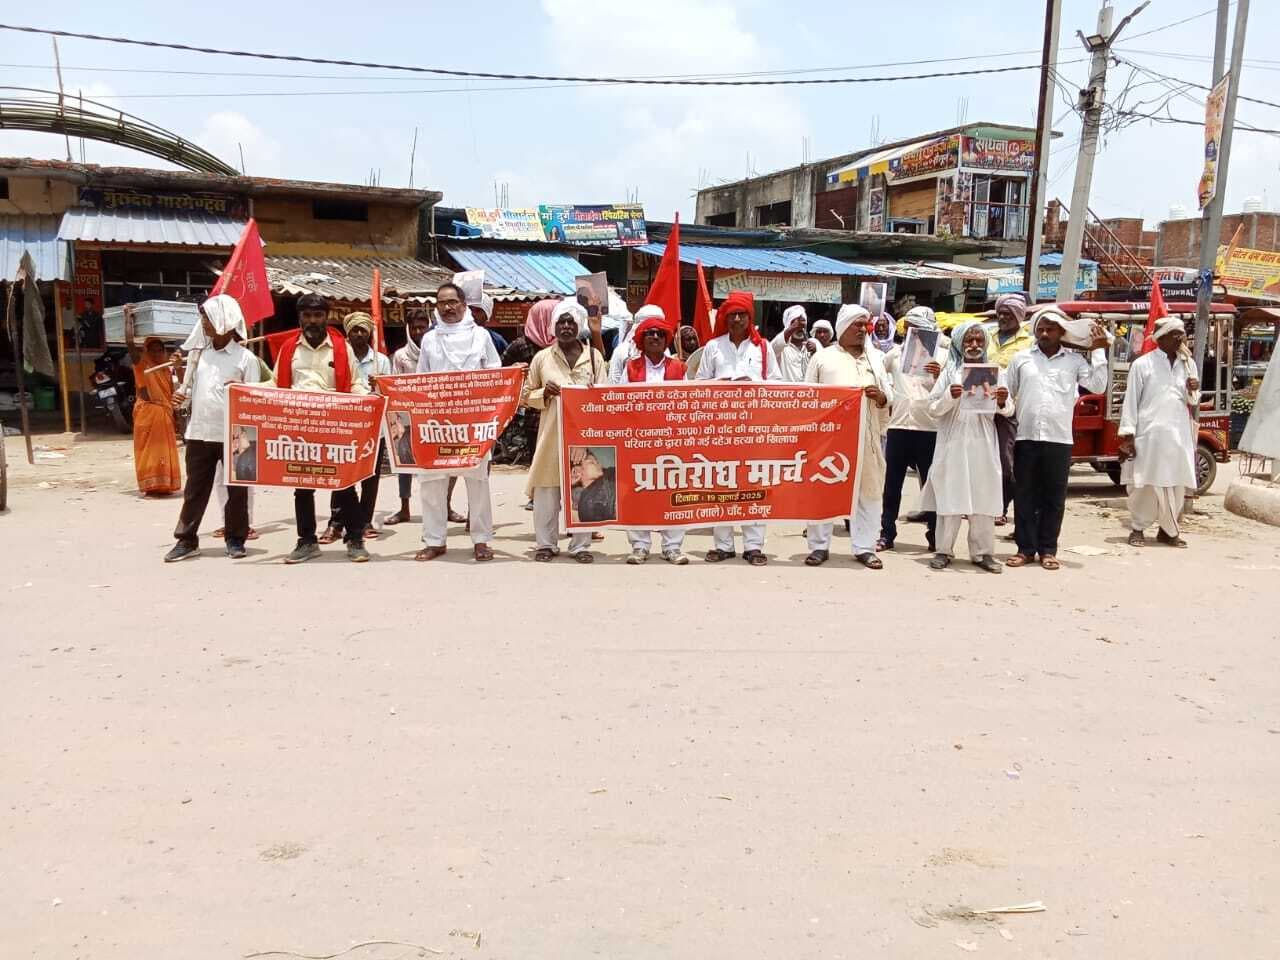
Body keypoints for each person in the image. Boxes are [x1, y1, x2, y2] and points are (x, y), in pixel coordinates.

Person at [1005, 307, 1108, 570]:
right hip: (1026, 436)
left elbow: (1098, 386)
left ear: (1061, 332)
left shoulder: (1074, 361)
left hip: (1059, 439)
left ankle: (1048, 550)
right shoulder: (1021, 358)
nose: (1044, 333)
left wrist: (1097, 351)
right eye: (1041, 328)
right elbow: (1007, 393)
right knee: (1025, 495)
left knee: (1054, 497)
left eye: (1050, 328)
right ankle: (1025, 549)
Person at [274, 292, 371, 564]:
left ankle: (355, 539)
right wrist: (242, 390)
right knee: (302, 486)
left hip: (334, 425)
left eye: (318, 315)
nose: (313, 321)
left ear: (326, 317)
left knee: (344, 484)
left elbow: (355, 383)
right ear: (300, 318)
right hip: (299, 427)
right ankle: (306, 541)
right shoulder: (288, 349)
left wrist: (366, 398)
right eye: (307, 316)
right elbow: (274, 384)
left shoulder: (343, 348)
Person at [164, 295, 262, 562]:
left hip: (239, 434)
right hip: (200, 431)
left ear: (225, 322)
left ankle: (235, 538)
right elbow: (187, 392)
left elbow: (255, 399)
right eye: (203, 318)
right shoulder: (198, 355)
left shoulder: (246, 359)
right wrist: (180, 397)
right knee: (195, 489)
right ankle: (186, 539)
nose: (203, 323)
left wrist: (239, 391)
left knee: (237, 489)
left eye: (207, 318)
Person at [414, 281, 502, 562]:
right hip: (437, 425)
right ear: (436, 307)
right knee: (432, 482)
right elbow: (419, 380)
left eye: (453, 302)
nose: (448, 307)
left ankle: (481, 540)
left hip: (474, 424)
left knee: (477, 483)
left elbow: (495, 375)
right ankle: (435, 540)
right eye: (442, 303)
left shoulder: (481, 336)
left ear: (464, 305)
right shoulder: (429, 339)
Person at [803, 304, 892, 568]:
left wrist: (881, 396)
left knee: (869, 492)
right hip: (829, 437)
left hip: (867, 435)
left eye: (865, 325)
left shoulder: (875, 359)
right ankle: (819, 547)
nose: (863, 330)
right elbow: (808, 397)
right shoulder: (823, 358)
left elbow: (891, 395)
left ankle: (865, 547)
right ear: (843, 328)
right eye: (857, 325)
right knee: (823, 490)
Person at [696, 290, 780, 565]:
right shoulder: (713, 346)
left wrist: (753, 385)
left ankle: (753, 545)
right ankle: (723, 545)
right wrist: (720, 387)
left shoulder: (763, 348)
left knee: (755, 484)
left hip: (755, 428)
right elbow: (699, 384)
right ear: (724, 317)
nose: (736, 319)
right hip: (719, 429)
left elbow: (777, 384)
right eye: (731, 314)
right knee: (720, 483)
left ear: (749, 317)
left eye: (741, 314)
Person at [921, 322, 1012, 573]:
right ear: (960, 343)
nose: (974, 345)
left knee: (983, 498)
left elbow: (1010, 409)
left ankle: (982, 553)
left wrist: (1003, 401)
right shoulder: (950, 372)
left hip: (983, 443)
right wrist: (951, 395)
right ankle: (943, 550)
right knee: (951, 496)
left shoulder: (995, 372)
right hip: (953, 441)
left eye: (979, 341)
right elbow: (932, 409)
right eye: (969, 341)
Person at [522, 301, 607, 562]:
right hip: (550, 437)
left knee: (582, 490)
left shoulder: (594, 357)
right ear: (554, 326)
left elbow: (606, 396)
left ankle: (580, 546)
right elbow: (525, 396)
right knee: (547, 493)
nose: (566, 326)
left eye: (571, 322)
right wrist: (542, 394)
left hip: (584, 436)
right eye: (561, 322)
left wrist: (593, 394)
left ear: (579, 326)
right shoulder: (542, 358)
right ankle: (545, 545)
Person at [1119, 316, 1198, 548]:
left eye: (1181, 334)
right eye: (1176, 334)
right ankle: (1138, 528)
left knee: (1176, 484)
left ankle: (1168, 531)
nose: (1181, 338)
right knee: (1144, 484)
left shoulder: (1188, 364)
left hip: (1177, 434)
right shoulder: (1142, 364)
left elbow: (1191, 401)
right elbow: (1131, 401)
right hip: (1149, 434)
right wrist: (1128, 436)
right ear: (1161, 338)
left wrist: (1193, 389)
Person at [620, 310, 690, 564]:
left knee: (672, 490)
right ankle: (640, 545)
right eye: (649, 333)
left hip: (670, 440)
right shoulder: (630, 368)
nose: (655, 337)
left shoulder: (679, 368)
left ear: (667, 338)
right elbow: (617, 401)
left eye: (660, 334)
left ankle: (672, 546)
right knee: (638, 491)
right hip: (638, 440)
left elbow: (689, 402)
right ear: (641, 338)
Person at [879, 306, 948, 553]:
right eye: (909, 328)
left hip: (929, 427)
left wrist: (940, 376)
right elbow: (879, 373)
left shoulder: (942, 355)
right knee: (892, 484)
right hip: (899, 425)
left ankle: (934, 534)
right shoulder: (895, 354)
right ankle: (887, 533)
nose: (912, 332)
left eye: (917, 328)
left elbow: (951, 389)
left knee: (930, 485)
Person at [318, 311, 390, 544]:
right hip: (344, 427)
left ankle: (365, 520)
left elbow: (389, 394)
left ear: (369, 333)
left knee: (371, 476)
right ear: (348, 333)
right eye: (354, 330)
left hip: (372, 427)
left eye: (363, 330)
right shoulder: (337, 356)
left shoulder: (381, 361)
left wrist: (380, 385)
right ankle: (335, 523)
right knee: (341, 475)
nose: (359, 334)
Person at [988, 293, 1036, 525]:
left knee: (1006, 461)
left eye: (1008, 314)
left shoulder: (1029, 342)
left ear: (1019, 315)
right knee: (983, 459)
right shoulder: (987, 337)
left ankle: (1002, 507)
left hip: (1011, 410)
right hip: (982, 407)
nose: (1002, 317)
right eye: (1000, 313)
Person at [124, 307, 181, 496]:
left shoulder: (167, 369)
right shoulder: (142, 365)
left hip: (165, 414)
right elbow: (130, 344)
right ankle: (150, 485)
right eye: (153, 350)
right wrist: (128, 318)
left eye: (160, 350)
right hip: (147, 414)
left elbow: (177, 391)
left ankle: (165, 485)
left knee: (164, 450)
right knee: (149, 450)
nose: (157, 353)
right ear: (146, 351)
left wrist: (178, 416)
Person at [384, 311, 432, 526]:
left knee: (436, 464)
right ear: (408, 329)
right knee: (404, 461)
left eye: (423, 327)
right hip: (407, 416)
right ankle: (404, 508)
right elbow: (394, 385)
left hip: (432, 416)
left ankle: (445, 507)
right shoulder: (400, 356)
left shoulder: (435, 351)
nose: (419, 332)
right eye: (415, 328)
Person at [771, 304, 814, 381]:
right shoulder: (782, 348)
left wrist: (815, 352)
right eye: (794, 323)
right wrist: (792, 328)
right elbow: (772, 348)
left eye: (802, 325)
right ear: (788, 325)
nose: (799, 327)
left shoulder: (813, 344)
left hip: (809, 392)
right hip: (787, 392)